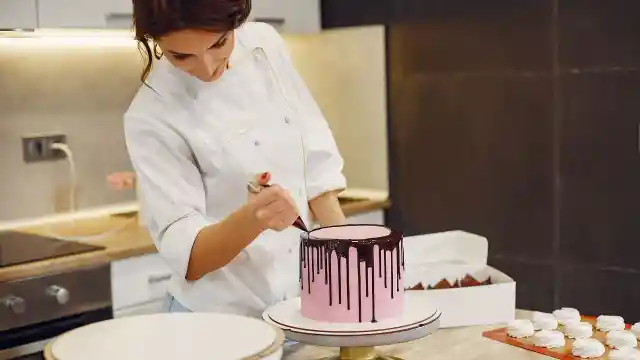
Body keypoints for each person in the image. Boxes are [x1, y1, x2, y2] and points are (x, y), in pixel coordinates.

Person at [124, 0, 347, 319]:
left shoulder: (264, 43)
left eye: (219, 43)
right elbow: (191, 259)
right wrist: (253, 218)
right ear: (154, 42)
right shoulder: (149, 116)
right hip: (215, 325)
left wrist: (350, 251)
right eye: (181, 56)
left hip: (298, 308)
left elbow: (313, 153)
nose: (206, 67)